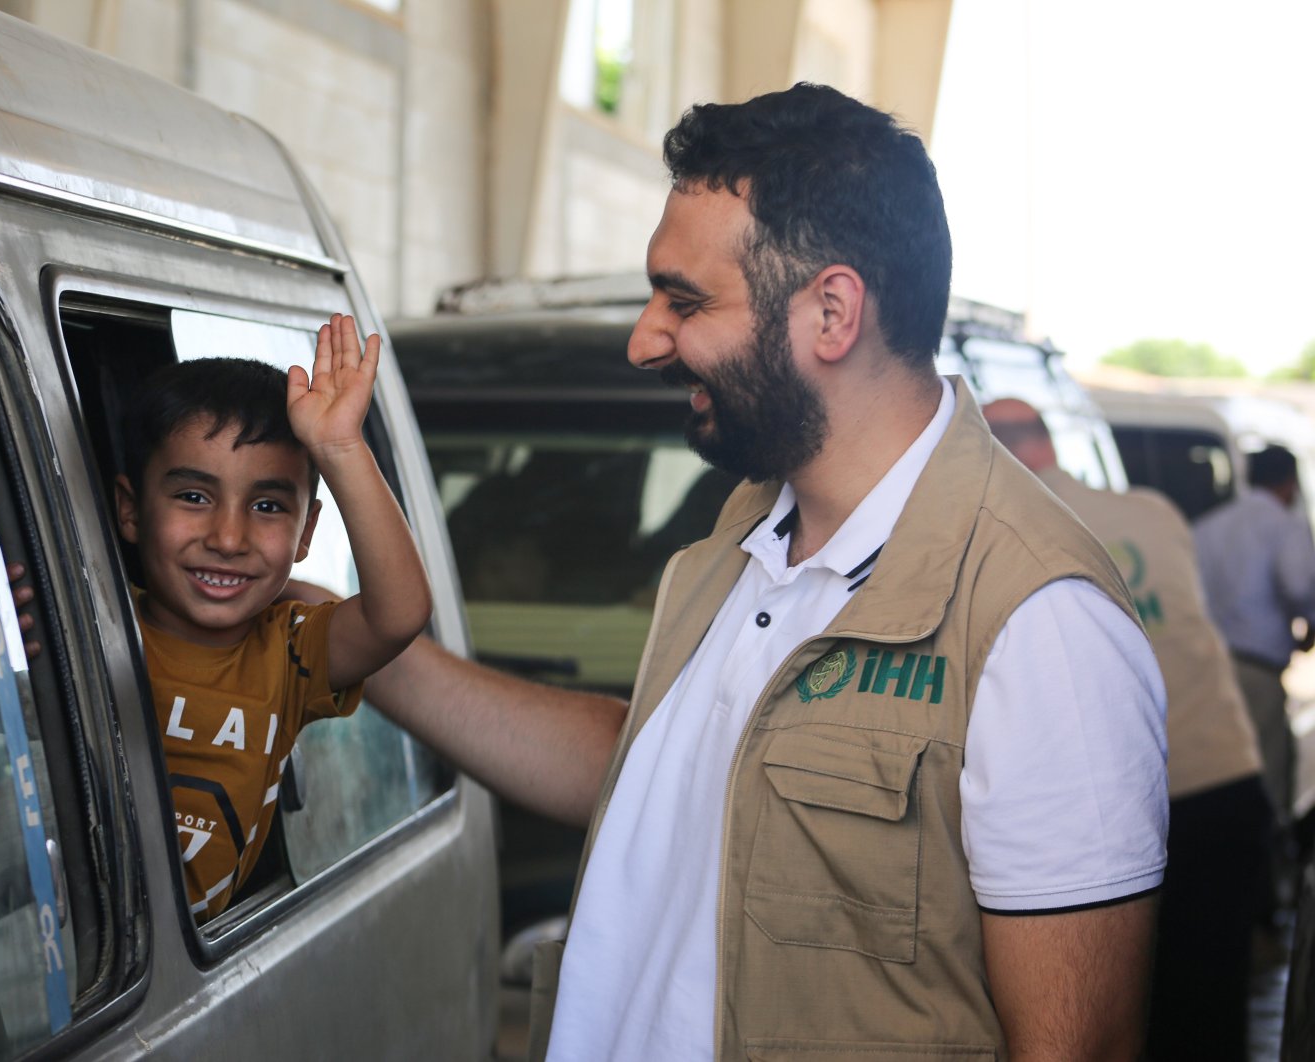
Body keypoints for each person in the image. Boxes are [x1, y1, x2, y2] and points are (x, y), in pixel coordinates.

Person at [341, 84, 1168, 1060]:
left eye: (684, 300)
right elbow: (663, 773)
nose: (644, 340)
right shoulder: (746, 526)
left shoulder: (1038, 625)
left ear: (830, 311)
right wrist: (352, 647)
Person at [114, 315, 430, 920]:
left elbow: (399, 614)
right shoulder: (99, 626)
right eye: (193, 497)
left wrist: (340, 448)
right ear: (131, 510)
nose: (228, 537)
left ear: (305, 532)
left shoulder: (288, 654)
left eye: (266, 506)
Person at [984, 397, 1270, 1061]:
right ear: (1048, 443)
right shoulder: (1152, 511)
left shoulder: (999, 528)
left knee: (1116, 1020)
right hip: (1224, 778)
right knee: (1212, 1007)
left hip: (1109, 815)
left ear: (988, 452)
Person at [1192, 444, 1315, 824]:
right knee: (1268, 773)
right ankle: (1271, 869)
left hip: (1209, 669)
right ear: (1289, 483)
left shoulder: (1208, 526)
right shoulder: (1284, 525)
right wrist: (1307, 626)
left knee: (1220, 771)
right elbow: (1299, 587)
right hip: (1258, 669)